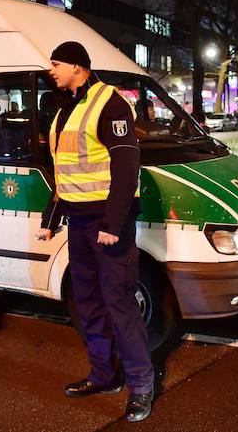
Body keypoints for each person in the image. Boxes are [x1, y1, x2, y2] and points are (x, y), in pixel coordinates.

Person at [34, 41, 155, 423]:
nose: (50, 70)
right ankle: (104, 375)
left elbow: (126, 168)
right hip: (80, 223)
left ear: (77, 66)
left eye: (56, 64)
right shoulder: (66, 107)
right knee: (87, 301)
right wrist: (50, 219)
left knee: (120, 303)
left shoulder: (111, 103)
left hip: (107, 225)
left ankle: (141, 386)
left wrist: (113, 223)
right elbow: (65, 171)